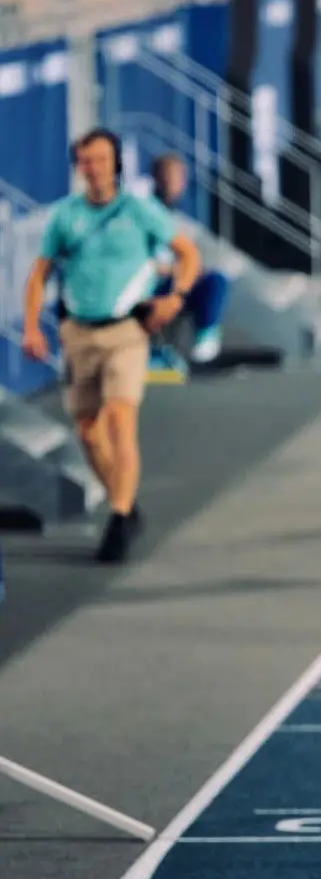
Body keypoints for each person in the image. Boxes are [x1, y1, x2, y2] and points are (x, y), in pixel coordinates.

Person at [21, 129, 202, 563]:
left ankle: (118, 518)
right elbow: (39, 275)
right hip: (79, 331)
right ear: (78, 167)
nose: (94, 169)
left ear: (116, 163)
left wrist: (175, 297)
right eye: (86, 161)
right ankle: (126, 502)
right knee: (88, 431)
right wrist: (31, 327)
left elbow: (188, 254)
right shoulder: (66, 216)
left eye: (101, 159)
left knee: (120, 417)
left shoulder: (140, 211)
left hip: (127, 331)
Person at [150, 154, 230, 365]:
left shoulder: (177, 219)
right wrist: (179, 270)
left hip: (174, 285)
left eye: (178, 178)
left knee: (215, 280)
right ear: (157, 179)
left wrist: (191, 270)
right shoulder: (145, 214)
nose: (174, 184)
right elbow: (144, 264)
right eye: (168, 177)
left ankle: (206, 335)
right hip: (148, 287)